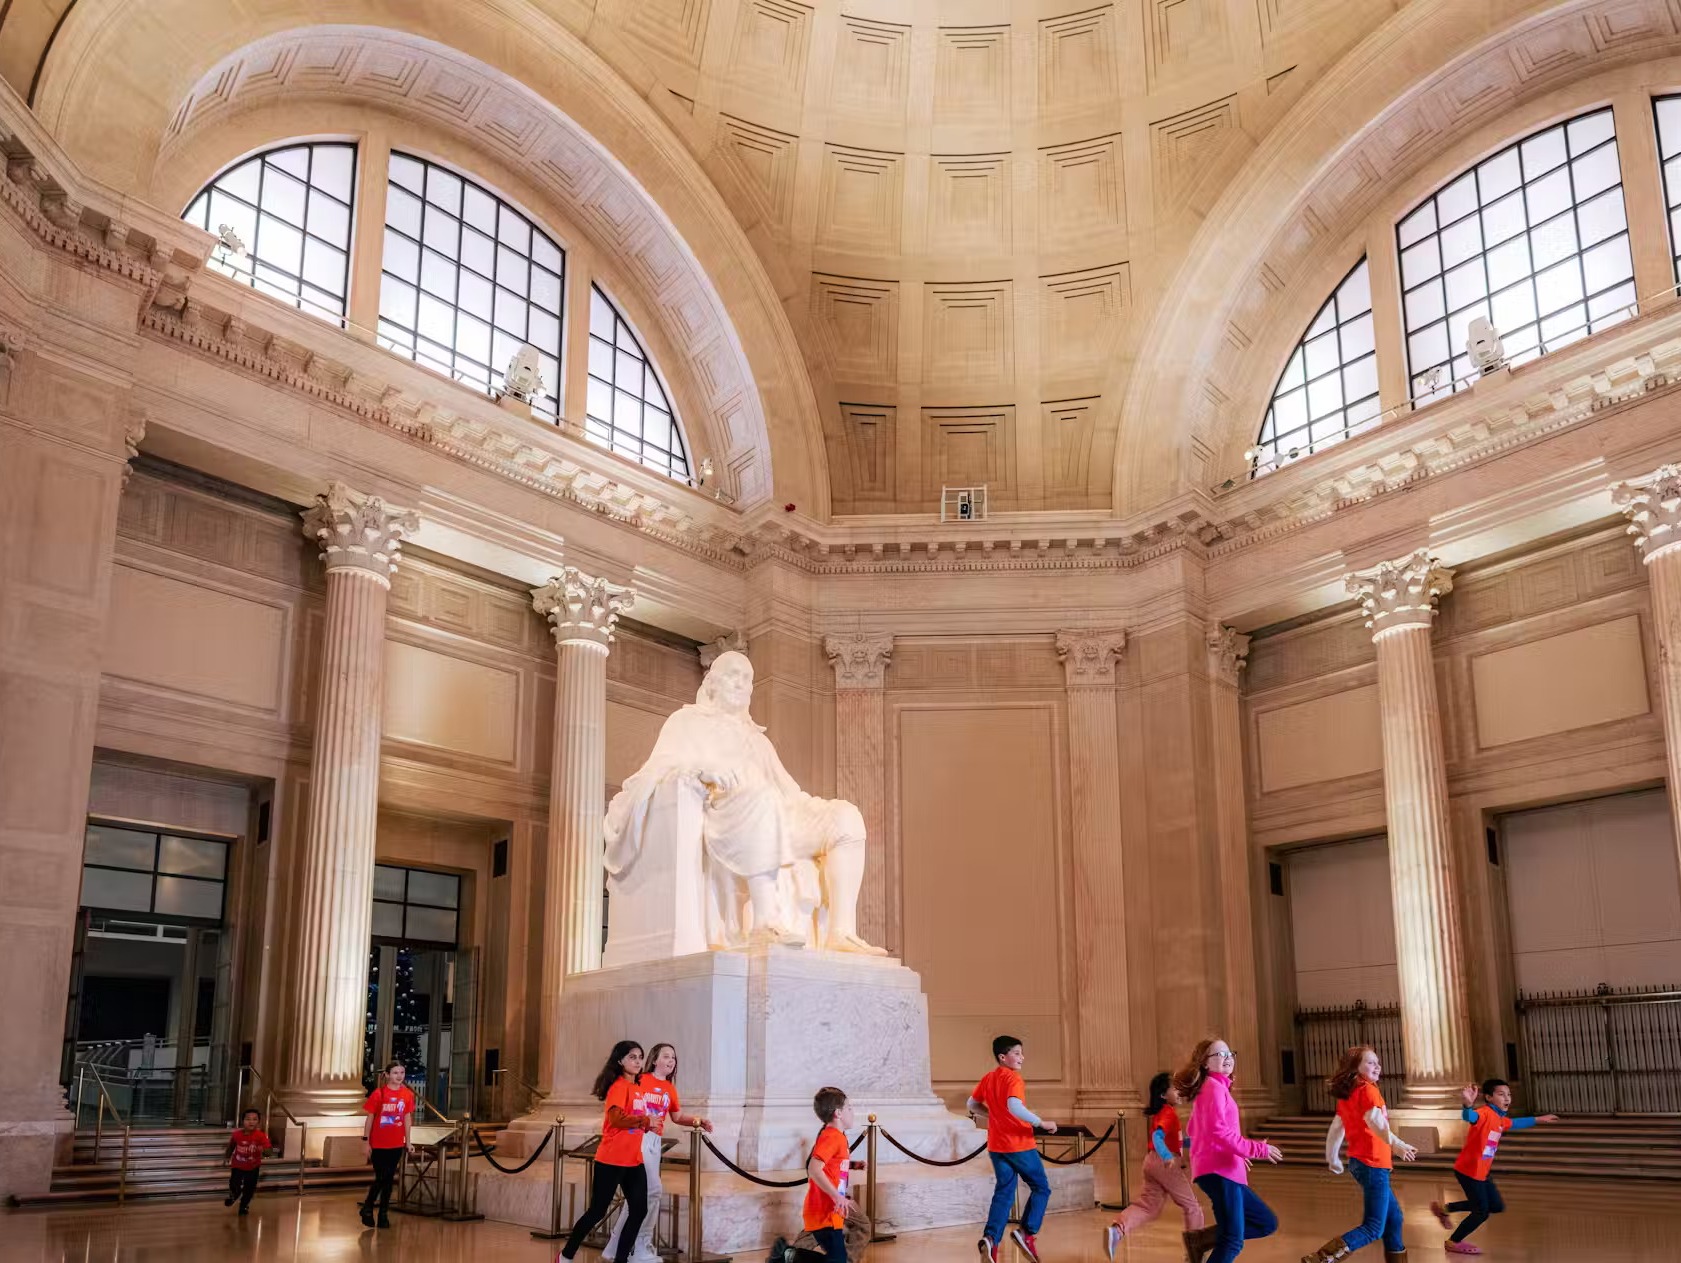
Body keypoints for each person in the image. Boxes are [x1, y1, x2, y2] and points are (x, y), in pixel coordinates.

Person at [601, 1041, 714, 1263]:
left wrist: (699, 1121)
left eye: (673, 1057)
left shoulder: (669, 1088)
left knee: (640, 1196)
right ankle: (638, 1245)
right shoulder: (641, 1079)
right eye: (666, 1056)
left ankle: (617, 1246)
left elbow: (677, 1117)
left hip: (654, 1142)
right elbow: (624, 1104)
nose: (671, 1060)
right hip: (638, 1137)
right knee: (651, 1191)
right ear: (654, 1060)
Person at [1303, 1046, 1417, 1263]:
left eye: (1378, 1062)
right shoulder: (1367, 1090)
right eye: (1370, 1062)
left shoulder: (1349, 1094)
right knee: (1373, 1227)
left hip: (1361, 1163)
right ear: (1355, 1067)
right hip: (1373, 1163)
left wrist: (1332, 1157)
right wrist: (1398, 1145)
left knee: (1394, 1218)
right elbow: (1375, 1123)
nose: (1377, 1066)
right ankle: (1321, 1259)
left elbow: (1337, 1128)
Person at [1177, 1038, 1281, 1263]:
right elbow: (1218, 1132)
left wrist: (1237, 1153)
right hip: (1220, 1172)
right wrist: (1257, 1149)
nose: (1227, 1058)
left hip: (1225, 1169)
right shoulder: (1213, 1088)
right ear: (1205, 1063)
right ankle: (1200, 1241)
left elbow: (1195, 1129)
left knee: (1265, 1222)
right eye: (1219, 1054)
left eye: (1229, 1053)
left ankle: (1200, 1240)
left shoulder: (1215, 1088)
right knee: (1232, 1241)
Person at [1429, 1079, 1558, 1255]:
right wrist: (1467, 1105)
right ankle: (1453, 1241)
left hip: (1482, 1172)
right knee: (1481, 1212)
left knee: (1496, 1206)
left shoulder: (1500, 1119)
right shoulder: (1484, 1113)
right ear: (1489, 1097)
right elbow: (1470, 1117)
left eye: (1509, 1094)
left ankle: (1445, 1209)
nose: (1507, 1098)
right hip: (1470, 1171)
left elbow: (1514, 1123)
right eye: (1501, 1094)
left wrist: (1538, 1119)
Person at [559, 1041, 654, 1263]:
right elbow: (616, 1118)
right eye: (632, 1057)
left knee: (639, 1209)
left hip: (633, 1160)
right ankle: (565, 1256)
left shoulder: (638, 1088)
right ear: (620, 1061)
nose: (638, 1061)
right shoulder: (618, 1087)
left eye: (640, 1057)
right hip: (612, 1159)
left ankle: (621, 1259)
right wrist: (644, 1120)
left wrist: (648, 1124)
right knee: (597, 1211)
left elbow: (636, 1120)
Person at [968, 1035, 1056, 1263]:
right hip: (1018, 1143)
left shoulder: (989, 1078)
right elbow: (1014, 1106)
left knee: (1004, 1191)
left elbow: (972, 1104)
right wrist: (1041, 1122)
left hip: (997, 1145)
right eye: (1016, 1053)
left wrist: (993, 1115)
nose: (1022, 1057)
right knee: (1041, 1187)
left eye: (1021, 1053)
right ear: (1002, 1057)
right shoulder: (1013, 1078)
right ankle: (1026, 1232)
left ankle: (991, 1240)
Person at [1105, 1072, 1204, 1258]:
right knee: (1192, 1207)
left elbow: (1175, 1141)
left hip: (1151, 1161)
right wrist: (1167, 1156)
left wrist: (1196, 1142)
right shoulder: (1168, 1114)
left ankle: (1117, 1230)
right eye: (1175, 1088)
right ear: (1163, 1095)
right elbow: (1157, 1137)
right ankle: (1195, 1253)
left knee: (1148, 1207)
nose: (1180, 1091)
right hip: (1164, 1164)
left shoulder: (1163, 1112)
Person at [360, 1060, 415, 1228]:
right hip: (378, 1143)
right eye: (395, 1073)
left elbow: (407, 1118)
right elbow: (370, 1118)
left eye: (402, 1072)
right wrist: (366, 1141)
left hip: (396, 1143)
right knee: (382, 1178)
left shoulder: (407, 1094)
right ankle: (368, 1206)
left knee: (389, 1179)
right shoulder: (379, 1093)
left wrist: (408, 1141)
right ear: (388, 1075)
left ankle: (382, 1214)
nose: (399, 1076)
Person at [223, 1107, 271, 1216]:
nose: (251, 1122)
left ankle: (244, 1206)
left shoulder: (261, 1136)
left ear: (258, 1122)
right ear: (242, 1121)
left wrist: (264, 1151)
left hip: (253, 1167)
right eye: (248, 1119)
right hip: (237, 1165)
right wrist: (227, 1157)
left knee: (249, 1187)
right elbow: (231, 1146)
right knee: (234, 1183)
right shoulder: (236, 1135)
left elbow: (268, 1150)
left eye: (254, 1119)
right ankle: (234, 1195)